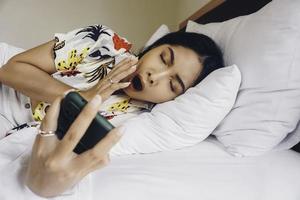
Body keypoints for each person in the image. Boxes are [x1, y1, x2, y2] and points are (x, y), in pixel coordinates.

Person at [0, 24, 224, 197]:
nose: (155, 76)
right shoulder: (103, 42)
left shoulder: (139, 118)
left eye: (173, 85)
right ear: (152, 48)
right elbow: (10, 70)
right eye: (163, 59)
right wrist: (81, 98)